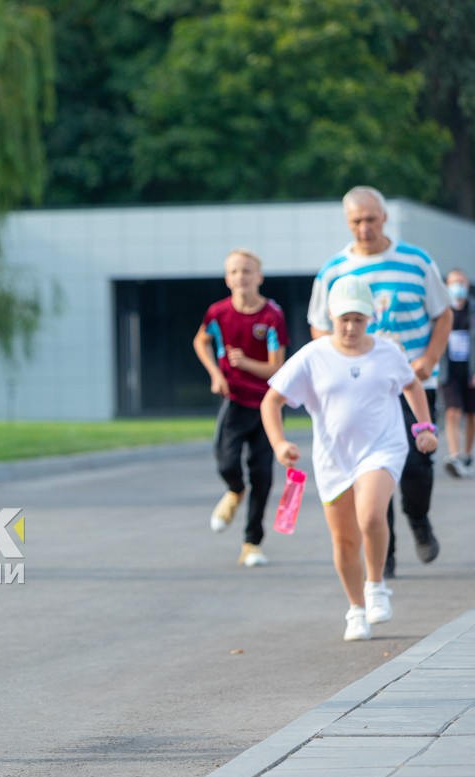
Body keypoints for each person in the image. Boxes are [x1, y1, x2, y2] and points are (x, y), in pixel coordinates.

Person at [263, 276, 437, 641]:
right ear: (331, 316)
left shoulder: (387, 351)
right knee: (344, 541)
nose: (350, 327)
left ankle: (376, 585)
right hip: (333, 458)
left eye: (358, 319)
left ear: (369, 317)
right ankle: (356, 609)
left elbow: (412, 384)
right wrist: (280, 443)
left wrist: (424, 427)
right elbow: (272, 401)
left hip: (382, 448)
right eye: (344, 318)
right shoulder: (314, 356)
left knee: (371, 513)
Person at [306, 186, 452, 578]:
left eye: (371, 219)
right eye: (356, 221)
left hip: (415, 382)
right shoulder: (334, 270)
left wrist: (429, 359)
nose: (364, 228)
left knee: (418, 467)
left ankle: (419, 519)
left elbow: (443, 314)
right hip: (364, 389)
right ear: (346, 223)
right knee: (372, 470)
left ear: (384, 218)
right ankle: (383, 555)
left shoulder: (417, 262)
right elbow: (320, 328)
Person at [192, 249, 288, 567]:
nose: (240, 277)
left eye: (247, 271)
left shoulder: (271, 316)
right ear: (227, 278)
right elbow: (200, 341)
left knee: (262, 475)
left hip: (266, 405)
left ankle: (251, 543)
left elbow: (277, 368)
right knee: (226, 463)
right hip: (233, 401)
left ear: (258, 277)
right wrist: (216, 374)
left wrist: (246, 362)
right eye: (234, 271)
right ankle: (235, 491)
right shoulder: (217, 313)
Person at [440, 269, 475, 478]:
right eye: (454, 282)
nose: (458, 286)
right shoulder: (443, 311)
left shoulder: (472, 310)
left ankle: (467, 455)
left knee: (471, 414)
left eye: (461, 282)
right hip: (449, 370)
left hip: (469, 370)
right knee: (452, 411)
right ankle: (455, 456)